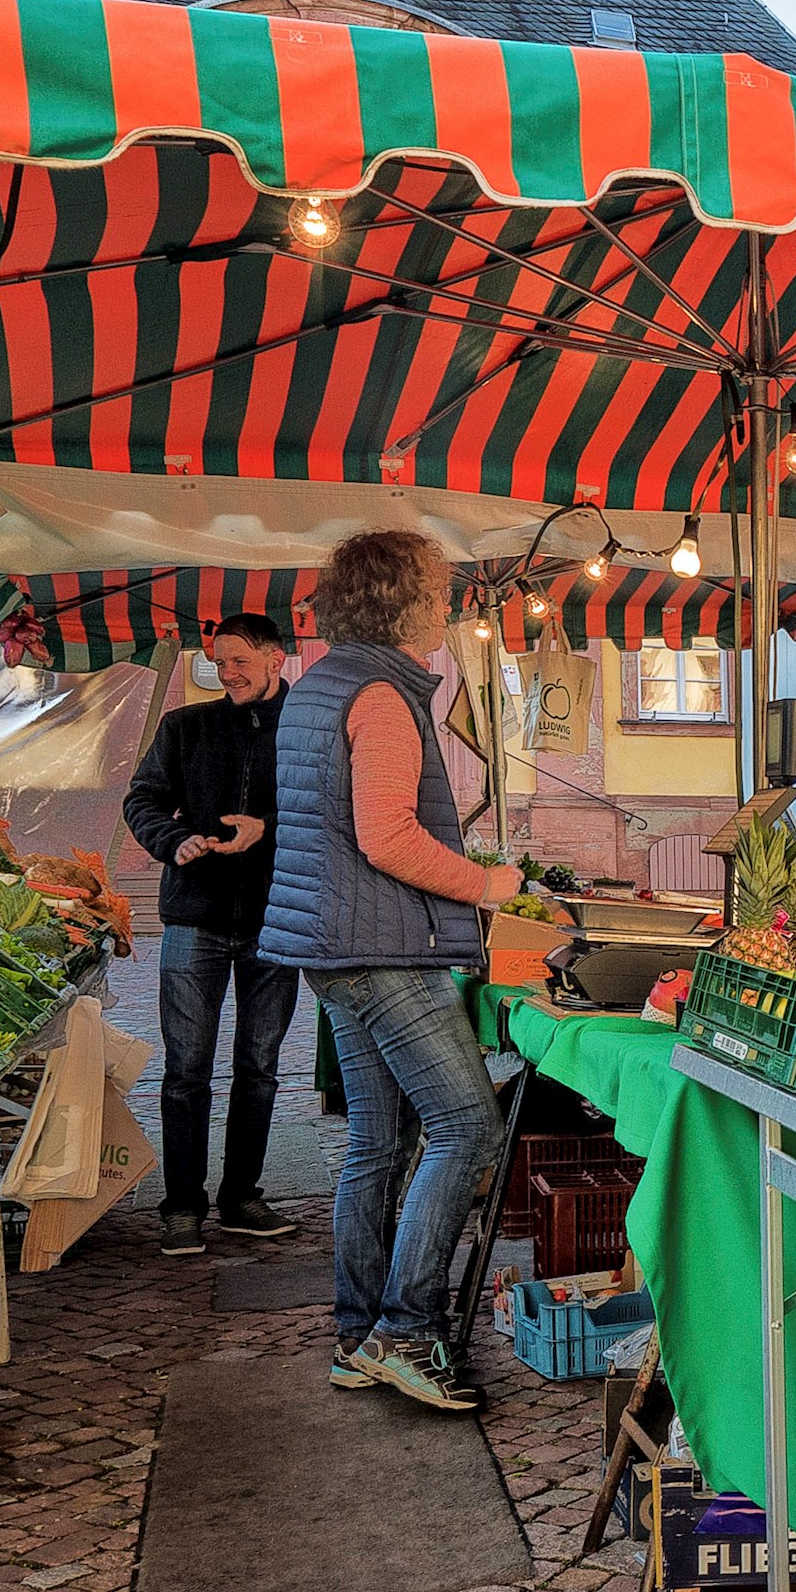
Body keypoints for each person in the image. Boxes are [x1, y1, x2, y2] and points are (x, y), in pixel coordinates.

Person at [261, 530, 518, 1410]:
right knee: (466, 1130)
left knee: (380, 1143)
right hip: (379, 951)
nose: (447, 606)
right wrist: (489, 885)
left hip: (331, 946)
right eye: (439, 592)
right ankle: (409, 1333)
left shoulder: (319, 683)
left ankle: (358, 1334)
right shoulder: (378, 692)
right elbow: (387, 835)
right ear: (403, 602)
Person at [120, 614, 299, 1257]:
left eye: (239, 663)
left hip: (277, 920)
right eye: (220, 665)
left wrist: (266, 829)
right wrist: (175, 841)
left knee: (260, 1068)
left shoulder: (308, 728)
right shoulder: (185, 727)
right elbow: (141, 801)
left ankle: (242, 1197)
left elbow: (330, 811)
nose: (227, 675)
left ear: (277, 658)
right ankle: (182, 1206)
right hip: (194, 916)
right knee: (185, 1070)